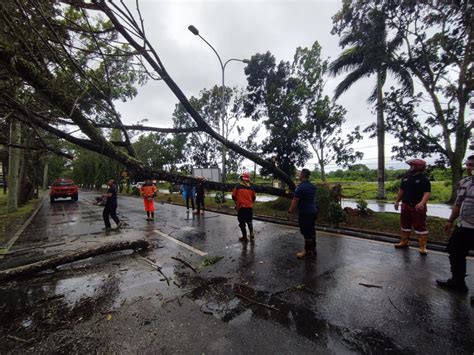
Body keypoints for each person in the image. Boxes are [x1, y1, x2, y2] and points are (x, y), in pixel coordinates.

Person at [436, 155, 474, 293]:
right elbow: (458, 204)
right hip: (464, 225)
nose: (469, 168)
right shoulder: (465, 182)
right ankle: (457, 282)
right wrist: (450, 220)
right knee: (455, 251)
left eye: (472, 165)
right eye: (468, 165)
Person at [394, 159, 431, 255]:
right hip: (405, 206)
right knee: (405, 225)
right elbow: (401, 190)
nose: (411, 167)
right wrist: (397, 201)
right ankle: (404, 241)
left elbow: (427, 193)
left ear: (419, 167)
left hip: (417, 207)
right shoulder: (406, 178)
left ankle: (422, 246)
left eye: (412, 166)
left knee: (419, 226)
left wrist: (422, 203)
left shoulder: (424, 179)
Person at [288, 168, 317, 259]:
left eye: (300, 174)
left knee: (306, 232)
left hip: (305, 212)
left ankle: (307, 251)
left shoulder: (300, 187)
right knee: (311, 230)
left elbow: (295, 200)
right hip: (313, 211)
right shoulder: (312, 186)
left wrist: (290, 211)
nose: (299, 175)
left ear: (303, 175)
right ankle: (313, 249)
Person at [232, 172, 256, 243]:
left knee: (241, 221)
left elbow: (233, 196)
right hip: (249, 207)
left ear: (242, 178)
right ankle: (251, 233)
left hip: (241, 207)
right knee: (249, 220)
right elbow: (254, 197)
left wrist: (237, 203)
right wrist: (250, 203)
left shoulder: (238, 186)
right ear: (248, 179)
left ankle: (244, 237)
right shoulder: (251, 187)